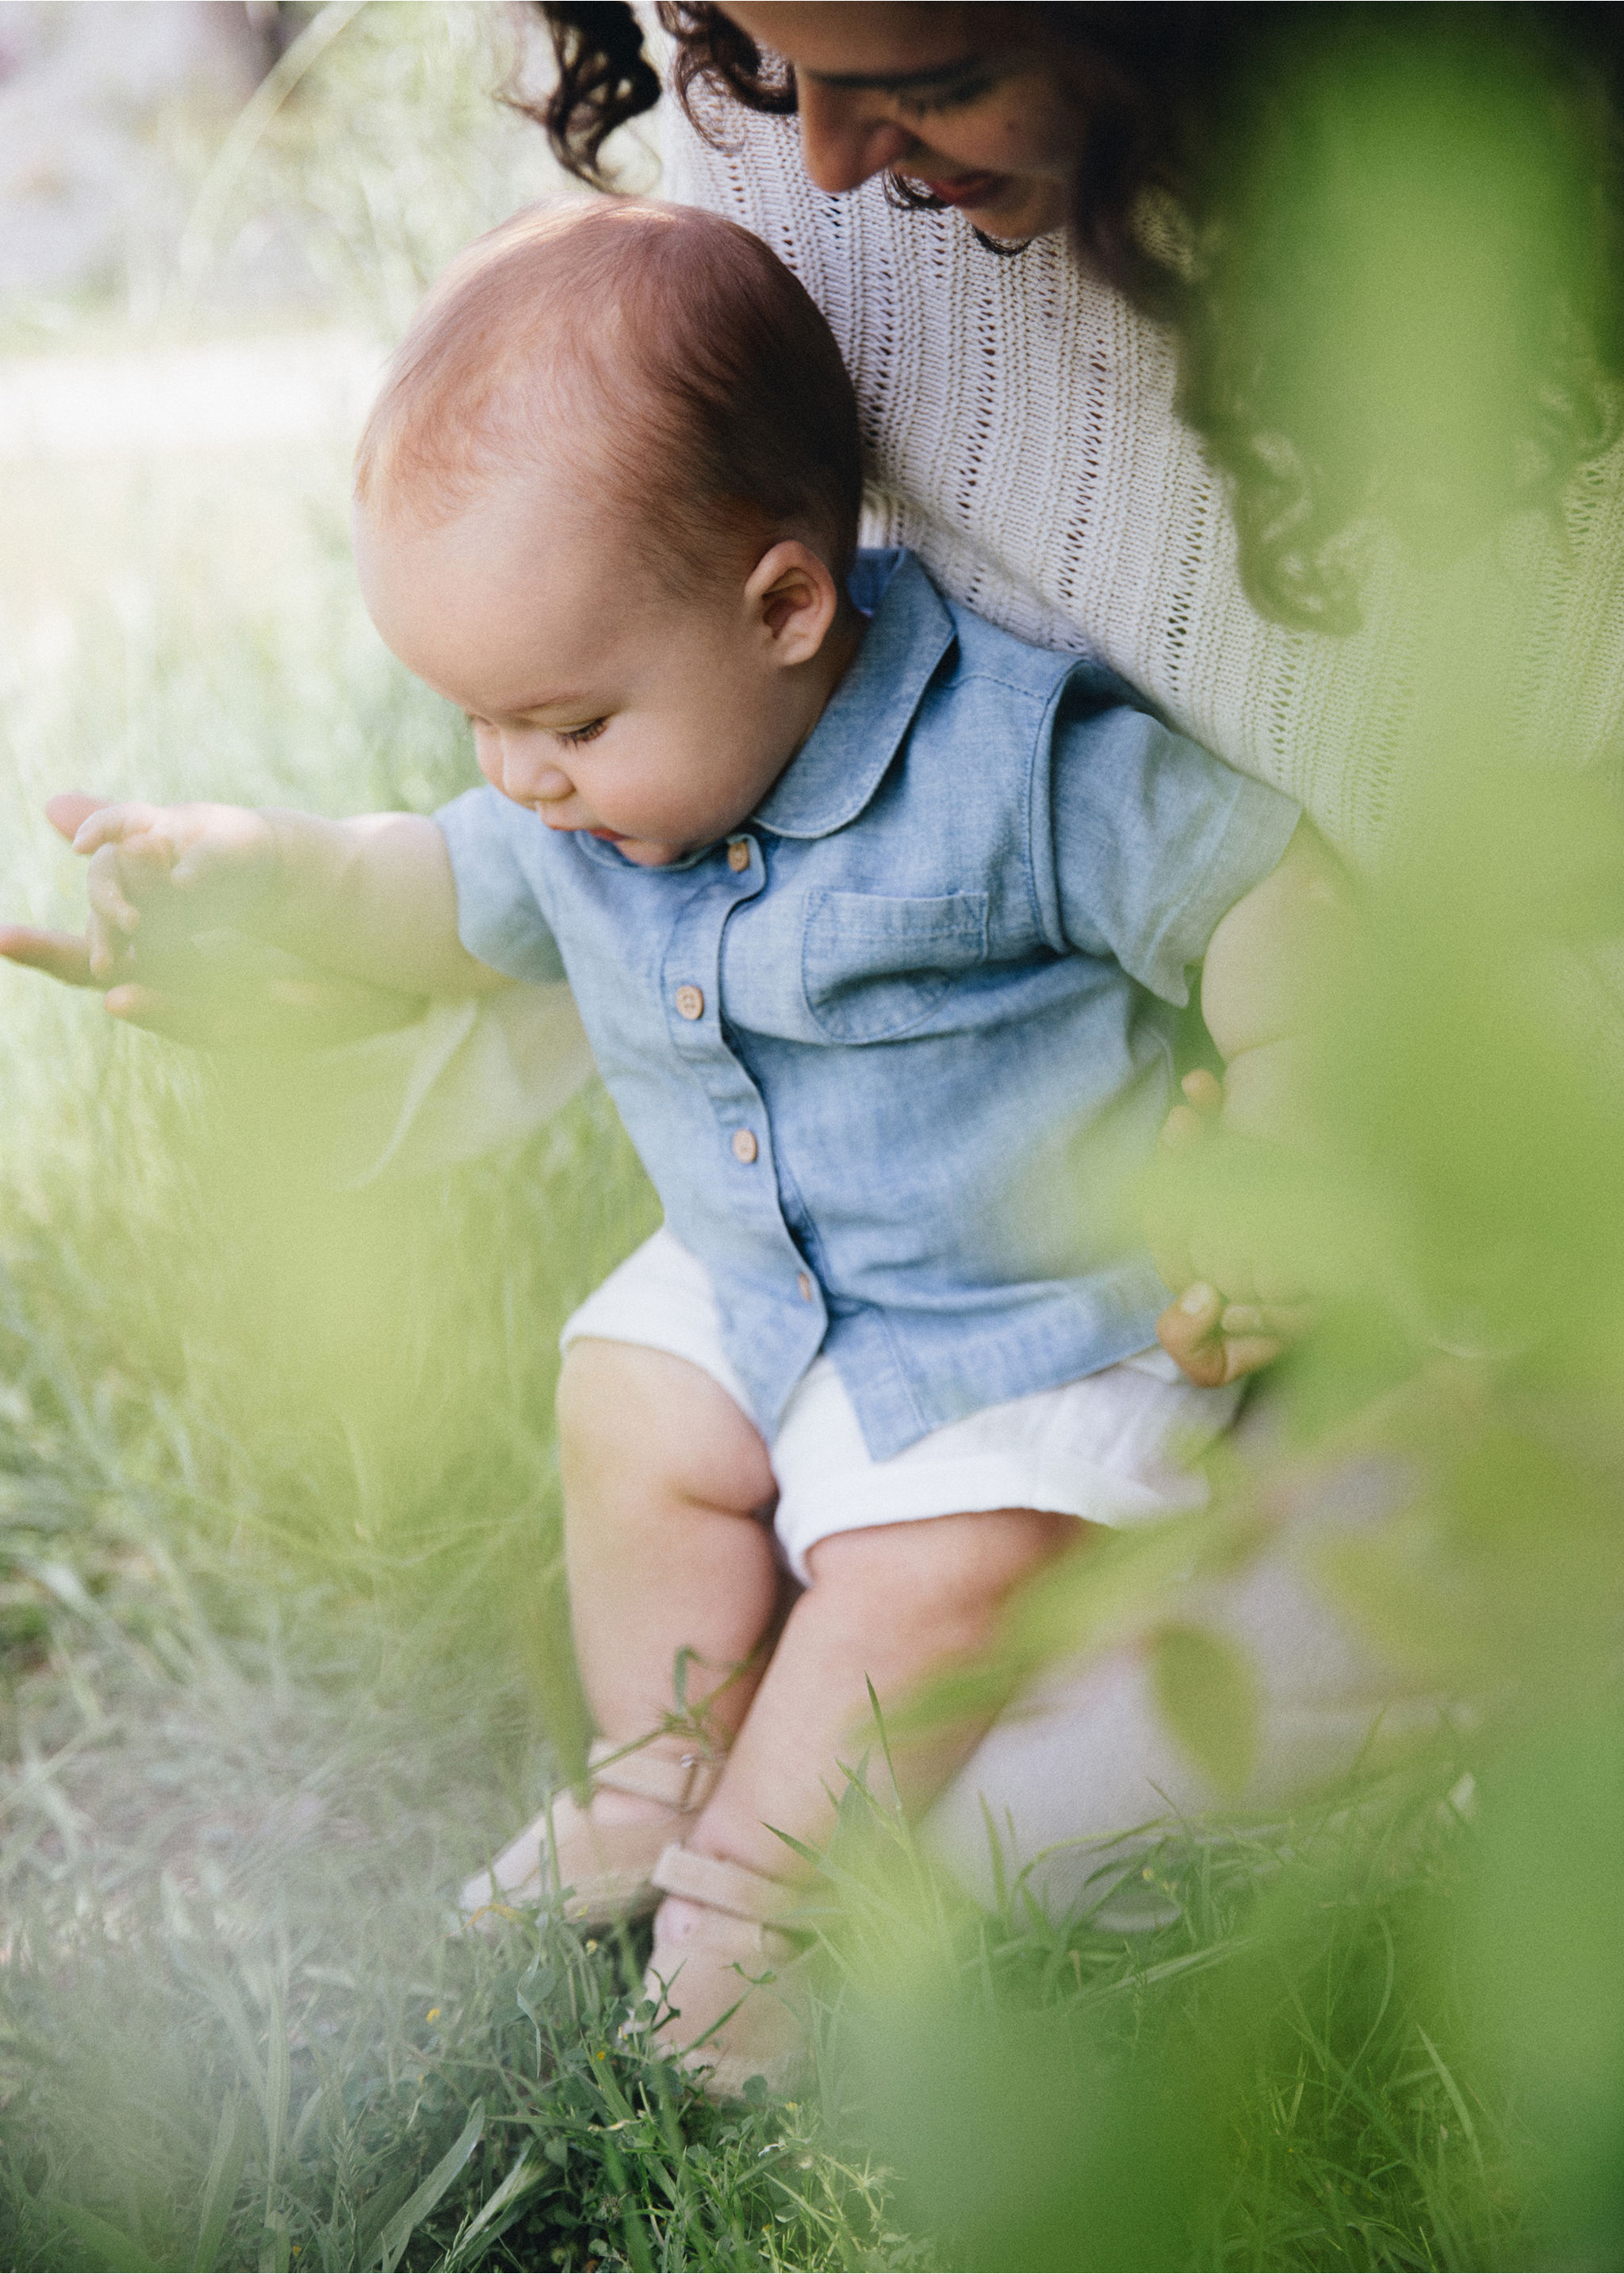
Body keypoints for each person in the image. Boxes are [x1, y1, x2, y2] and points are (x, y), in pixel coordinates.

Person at [48, 197, 1337, 2096]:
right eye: (475, 723)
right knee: (622, 1404)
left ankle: (757, 1902)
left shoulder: (1008, 758)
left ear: (787, 607)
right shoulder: (581, 800)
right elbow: (425, 889)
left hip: (1025, 1332)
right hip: (768, 1284)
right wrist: (272, 880)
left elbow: (1260, 892)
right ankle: (656, 1779)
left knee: (920, 1584)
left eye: (560, 720)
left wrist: (1295, 1116)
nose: (516, 776)